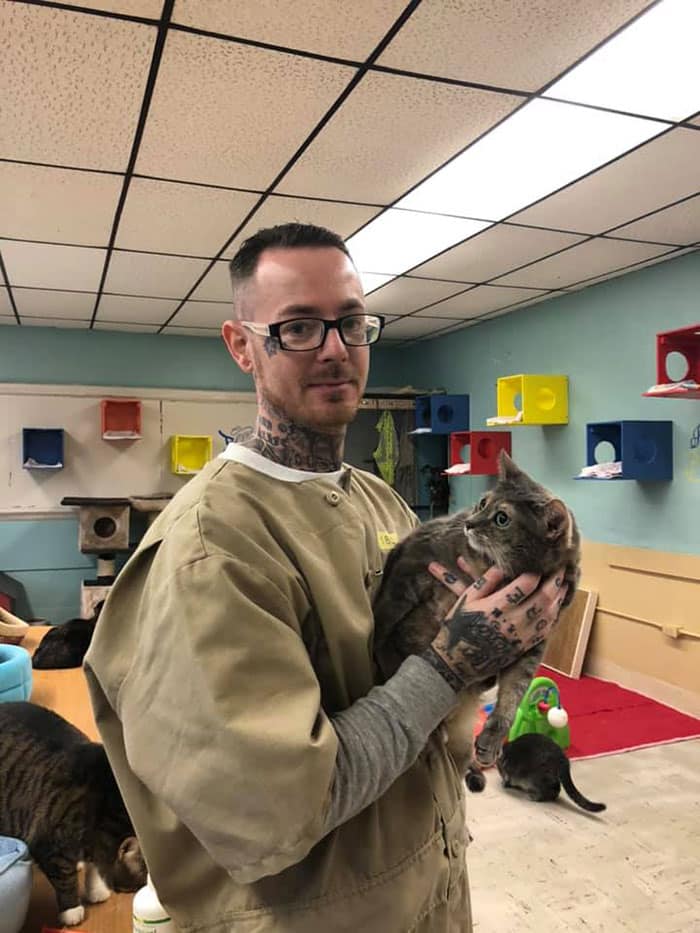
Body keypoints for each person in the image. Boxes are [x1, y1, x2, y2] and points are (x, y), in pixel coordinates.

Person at [84, 223, 567, 932]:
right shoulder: (211, 547)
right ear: (241, 345)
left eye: (351, 322)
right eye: (300, 327)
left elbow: (434, 700)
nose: (336, 348)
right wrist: (451, 664)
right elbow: (274, 811)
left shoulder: (380, 500)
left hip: (429, 893)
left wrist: (504, 637)